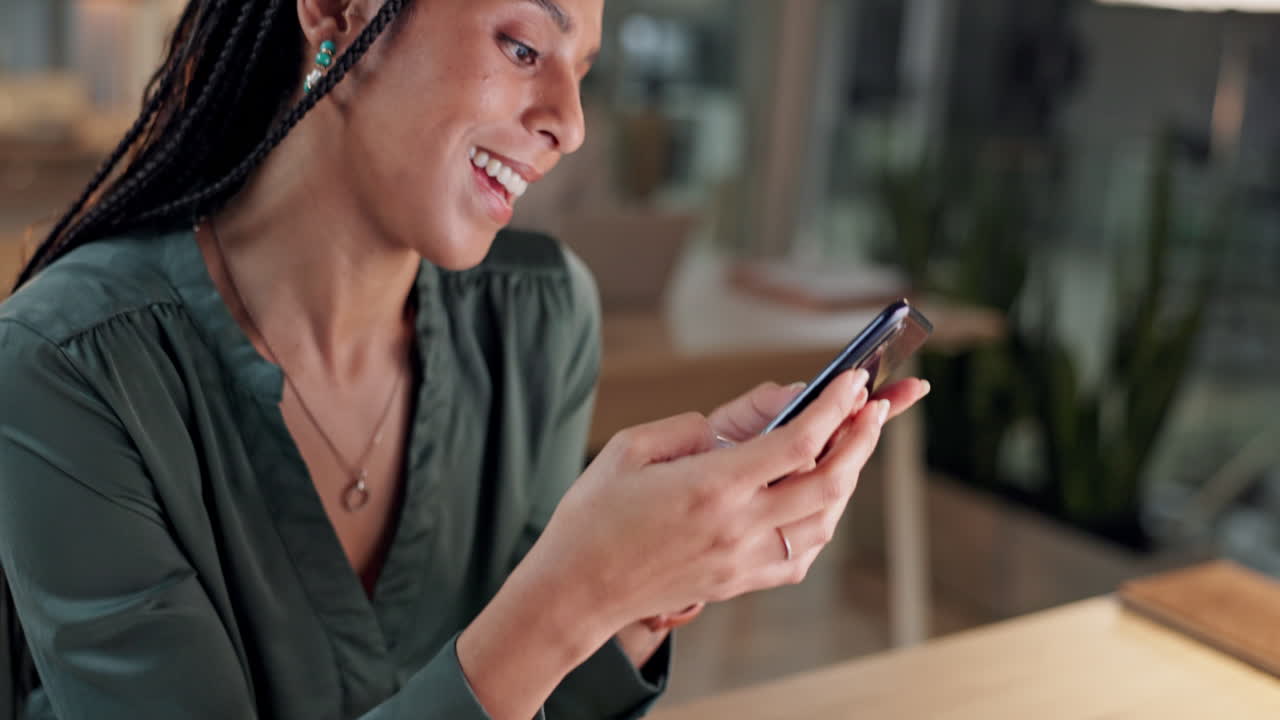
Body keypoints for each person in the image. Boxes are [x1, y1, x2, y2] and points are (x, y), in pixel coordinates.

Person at [0, 1, 929, 719]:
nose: (569, 123)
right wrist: (578, 592)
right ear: (336, 12)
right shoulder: (65, 369)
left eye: (583, 73)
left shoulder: (539, 318)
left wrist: (647, 589)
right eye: (523, 47)